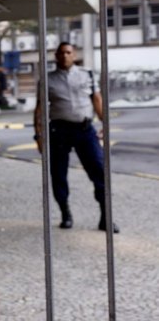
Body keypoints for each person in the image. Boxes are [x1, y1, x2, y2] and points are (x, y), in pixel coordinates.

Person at [34, 42, 118, 233]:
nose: (65, 56)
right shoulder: (47, 80)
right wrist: (38, 135)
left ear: (74, 54)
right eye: (61, 53)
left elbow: (96, 99)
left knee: (100, 171)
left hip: (85, 130)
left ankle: (106, 217)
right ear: (56, 56)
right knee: (58, 174)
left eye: (68, 52)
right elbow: (39, 109)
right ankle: (66, 214)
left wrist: (105, 123)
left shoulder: (87, 74)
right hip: (59, 131)